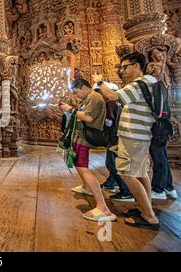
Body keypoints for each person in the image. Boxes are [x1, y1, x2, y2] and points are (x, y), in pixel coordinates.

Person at [95, 52, 160, 230]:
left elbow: (112, 96)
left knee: (126, 173)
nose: (122, 71)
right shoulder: (150, 82)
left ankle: (149, 216)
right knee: (140, 172)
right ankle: (144, 208)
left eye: (125, 67)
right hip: (140, 135)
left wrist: (100, 82)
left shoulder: (139, 84)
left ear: (137, 66)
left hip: (134, 135)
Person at [59, 79, 116, 222]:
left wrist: (70, 110)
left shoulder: (94, 97)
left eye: (76, 92)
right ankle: (86, 186)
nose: (75, 95)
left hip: (85, 137)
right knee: (80, 165)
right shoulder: (89, 98)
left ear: (84, 87)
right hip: (81, 136)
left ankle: (103, 207)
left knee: (82, 167)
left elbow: (88, 117)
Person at [94, 82, 134, 202]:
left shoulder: (110, 102)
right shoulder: (114, 102)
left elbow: (109, 121)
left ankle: (126, 191)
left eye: (99, 91)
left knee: (111, 163)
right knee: (114, 162)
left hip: (114, 137)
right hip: (116, 136)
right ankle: (111, 182)